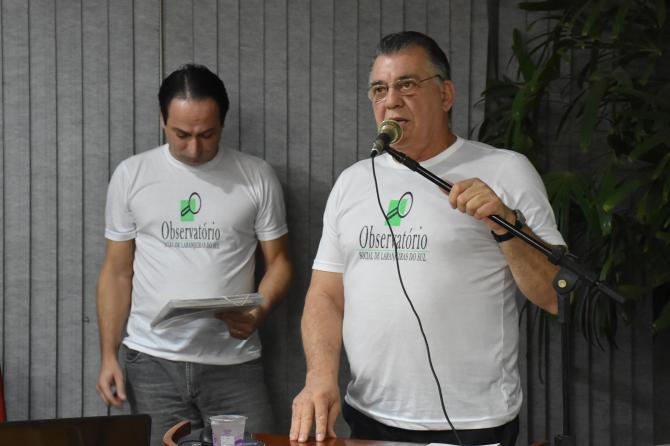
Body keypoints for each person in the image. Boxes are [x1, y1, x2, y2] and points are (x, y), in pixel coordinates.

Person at [290, 31, 565, 446]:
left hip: (473, 423)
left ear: (445, 94)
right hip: (368, 415)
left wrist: (506, 224)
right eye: (379, 89)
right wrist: (319, 377)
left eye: (407, 85)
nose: (391, 101)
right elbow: (325, 295)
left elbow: (555, 295)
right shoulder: (353, 182)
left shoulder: (506, 171)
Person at [96, 64, 292, 446]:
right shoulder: (132, 175)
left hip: (233, 364)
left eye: (207, 134)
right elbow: (117, 272)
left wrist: (259, 311)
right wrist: (108, 356)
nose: (194, 148)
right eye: (181, 134)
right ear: (162, 119)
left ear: (223, 122)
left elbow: (280, 263)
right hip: (152, 363)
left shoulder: (256, 176)